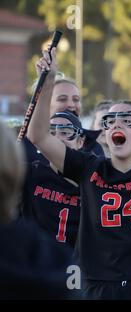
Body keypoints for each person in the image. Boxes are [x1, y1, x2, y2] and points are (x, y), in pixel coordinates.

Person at [28, 39, 131, 299]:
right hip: (99, 284)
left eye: (127, 120)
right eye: (109, 121)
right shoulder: (88, 167)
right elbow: (39, 135)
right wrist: (49, 79)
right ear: (105, 133)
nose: (116, 124)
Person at [0, 121, 74, 299]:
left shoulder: (91, 176)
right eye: (54, 133)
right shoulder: (50, 257)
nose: (59, 141)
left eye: (67, 133)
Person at [19, 111, 86, 248]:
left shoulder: (92, 178)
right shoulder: (30, 173)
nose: (57, 139)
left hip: (77, 264)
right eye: (51, 133)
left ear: (80, 141)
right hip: (35, 261)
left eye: (66, 132)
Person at [24, 72, 104, 163]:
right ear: (45, 104)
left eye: (76, 99)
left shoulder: (93, 148)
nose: (71, 104)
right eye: (62, 99)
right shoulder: (27, 145)